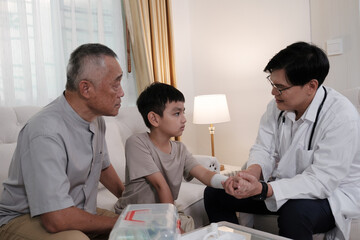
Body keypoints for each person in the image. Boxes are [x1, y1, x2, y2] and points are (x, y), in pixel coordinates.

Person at [204, 42, 360, 240]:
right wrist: (251, 174)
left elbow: (322, 181)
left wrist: (264, 189)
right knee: (215, 194)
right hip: (283, 186)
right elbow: (263, 148)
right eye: (272, 84)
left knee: (295, 213)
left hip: (332, 195)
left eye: (280, 88)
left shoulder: (341, 117)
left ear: (311, 86)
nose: (273, 93)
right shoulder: (276, 107)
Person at [0, 43, 125, 240]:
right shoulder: (45, 132)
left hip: (74, 210)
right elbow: (56, 219)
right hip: (26, 217)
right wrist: (123, 223)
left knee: (147, 231)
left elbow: (102, 167)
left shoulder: (96, 119)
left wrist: (134, 205)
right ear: (86, 88)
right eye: (115, 84)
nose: (122, 93)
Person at [114, 82, 228, 232]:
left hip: (163, 212)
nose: (184, 119)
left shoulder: (180, 149)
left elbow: (204, 173)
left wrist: (227, 182)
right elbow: (161, 185)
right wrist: (172, 225)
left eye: (183, 112)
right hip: (136, 216)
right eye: (176, 113)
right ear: (154, 119)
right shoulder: (137, 143)